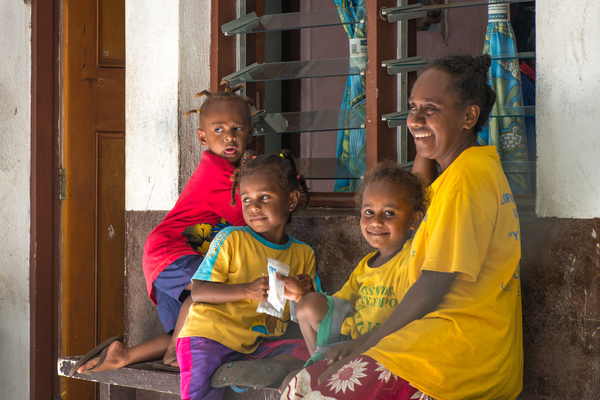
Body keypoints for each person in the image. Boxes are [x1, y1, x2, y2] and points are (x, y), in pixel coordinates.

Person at [281, 54, 523, 400]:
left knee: (322, 391)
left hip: (458, 356)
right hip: (438, 343)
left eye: (430, 108)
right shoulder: (462, 170)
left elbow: (434, 282)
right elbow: (417, 191)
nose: (415, 118)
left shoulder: (466, 179)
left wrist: (365, 342)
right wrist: (425, 133)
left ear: (469, 116)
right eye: (411, 107)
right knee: (301, 384)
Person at [70, 81, 255, 376]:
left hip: (168, 258)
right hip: (171, 252)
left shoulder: (233, 174)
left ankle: (123, 355)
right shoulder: (218, 172)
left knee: (181, 332)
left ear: (250, 132)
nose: (229, 137)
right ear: (202, 137)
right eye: (218, 130)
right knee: (206, 293)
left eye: (238, 129)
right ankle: (174, 355)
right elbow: (247, 217)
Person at [176, 151, 320, 400]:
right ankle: (238, 372)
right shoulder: (231, 239)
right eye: (246, 199)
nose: (254, 206)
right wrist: (245, 290)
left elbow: (309, 312)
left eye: (264, 197)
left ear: (292, 200)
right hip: (209, 337)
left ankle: (245, 373)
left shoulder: (303, 253)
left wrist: (304, 291)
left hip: (255, 346)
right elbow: (198, 291)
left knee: (309, 352)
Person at [277, 161, 426, 369]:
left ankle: (327, 368)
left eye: (389, 213)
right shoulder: (367, 263)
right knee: (309, 305)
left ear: (415, 220)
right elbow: (339, 303)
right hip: (352, 338)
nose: (376, 221)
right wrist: (302, 295)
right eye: (368, 212)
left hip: (388, 342)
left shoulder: (412, 257)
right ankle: (318, 365)